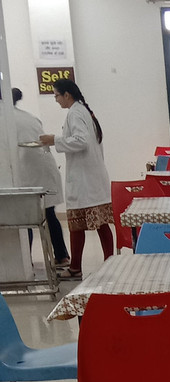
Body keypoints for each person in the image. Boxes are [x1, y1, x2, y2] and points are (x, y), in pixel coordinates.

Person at [40, 78, 113, 279]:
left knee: (79, 224)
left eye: (56, 95)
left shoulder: (75, 113)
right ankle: (106, 263)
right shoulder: (83, 111)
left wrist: (54, 140)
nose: (56, 100)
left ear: (67, 95)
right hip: (92, 178)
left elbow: (81, 141)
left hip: (85, 180)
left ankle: (78, 268)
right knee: (98, 224)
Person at [12, 88, 70, 269]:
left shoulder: (7, 119)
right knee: (48, 214)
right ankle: (61, 256)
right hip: (41, 172)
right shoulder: (28, 117)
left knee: (26, 219)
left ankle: (24, 263)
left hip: (28, 174)